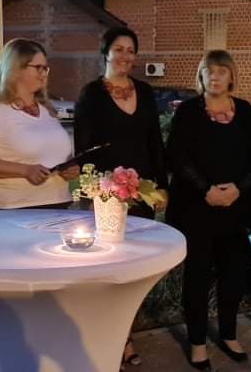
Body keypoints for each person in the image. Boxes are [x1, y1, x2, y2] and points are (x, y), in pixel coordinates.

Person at [73, 27, 168, 366]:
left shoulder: (145, 91)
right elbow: (84, 149)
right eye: (119, 49)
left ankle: (127, 332)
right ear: (106, 52)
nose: (126, 56)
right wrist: (101, 189)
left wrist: (161, 186)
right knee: (107, 268)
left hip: (141, 193)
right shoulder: (90, 94)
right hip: (106, 196)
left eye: (131, 50)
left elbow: (155, 142)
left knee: (135, 268)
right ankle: (112, 339)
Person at [165, 50, 251, 370]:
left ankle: (229, 333)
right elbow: (177, 157)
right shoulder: (188, 111)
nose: (216, 76)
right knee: (197, 277)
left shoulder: (244, 111)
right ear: (201, 76)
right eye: (210, 70)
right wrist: (205, 189)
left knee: (233, 274)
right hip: (197, 209)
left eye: (222, 70)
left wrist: (238, 189)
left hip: (234, 209)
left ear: (231, 75)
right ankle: (197, 342)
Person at [0, 39, 79, 210]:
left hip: (59, 204)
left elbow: (57, 153)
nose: (43, 73)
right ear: (15, 68)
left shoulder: (47, 111)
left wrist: (70, 167)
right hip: (14, 208)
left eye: (45, 68)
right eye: (38, 67)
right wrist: (26, 171)